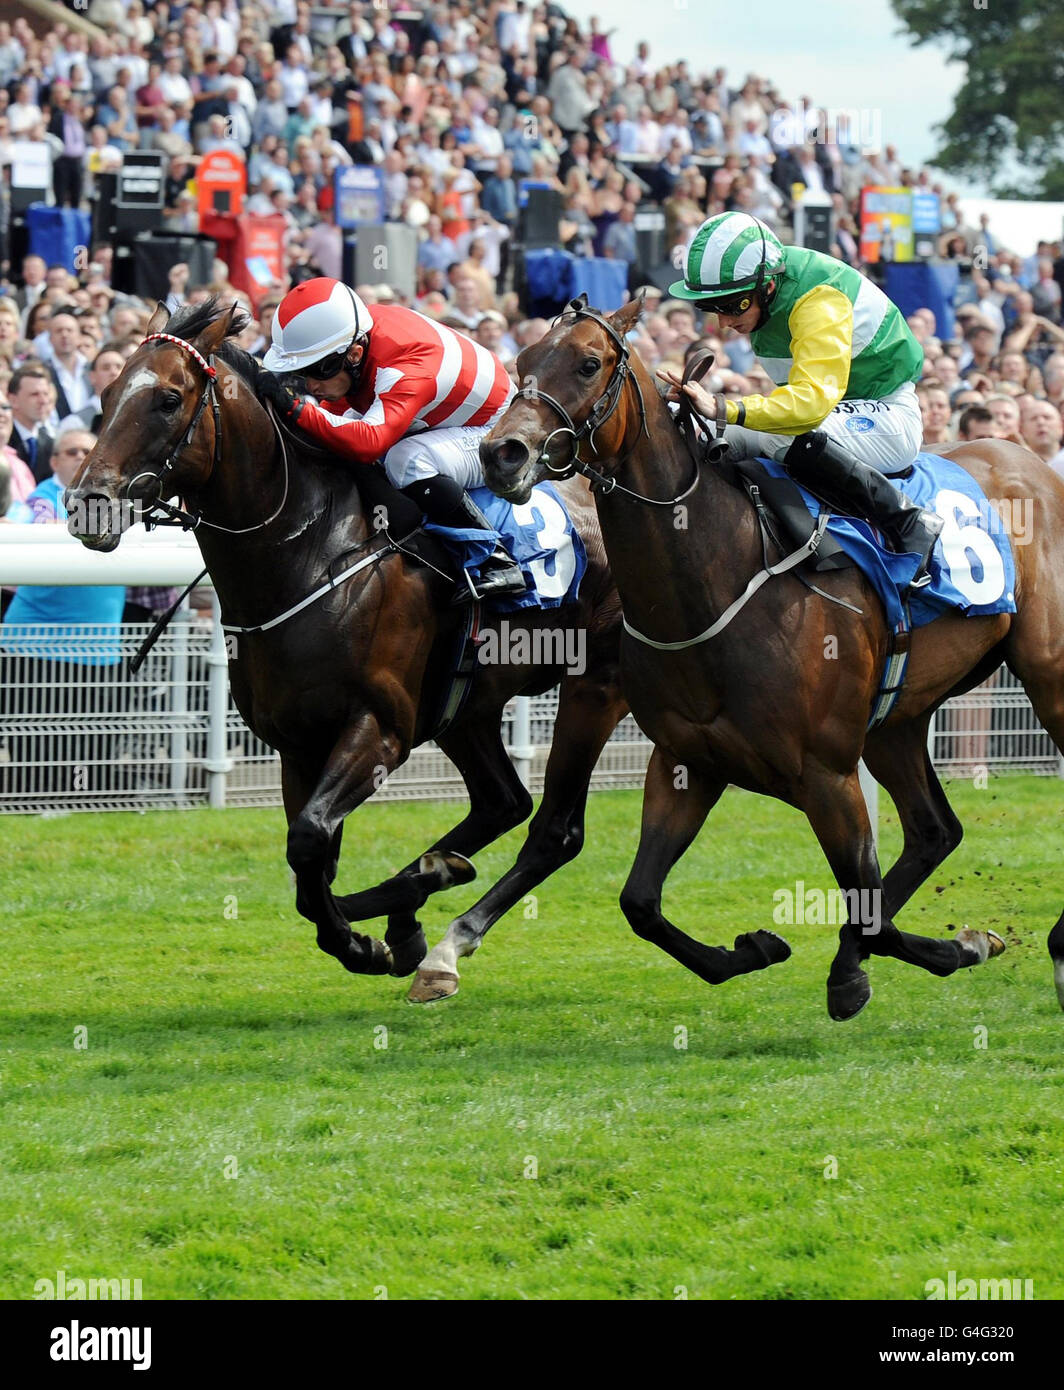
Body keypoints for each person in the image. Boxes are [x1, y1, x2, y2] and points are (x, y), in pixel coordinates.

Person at [661, 211, 943, 585]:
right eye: (712, 307)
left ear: (769, 286)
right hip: (835, 417)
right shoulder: (768, 290)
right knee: (710, 433)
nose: (723, 322)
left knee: (778, 432)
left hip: (888, 416)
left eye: (733, 305)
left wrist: (725, 406)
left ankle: (906, 518)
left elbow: (809, 406)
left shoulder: (818, 300)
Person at [257, 277, 525, 601]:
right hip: (440, 414)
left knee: (406, 460)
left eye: (319, 370)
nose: (310, 384)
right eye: (302, 373)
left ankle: (497, 560)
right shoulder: (356, 338)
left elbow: (370, 442)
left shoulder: (406, 362)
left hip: (495, 427)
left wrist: (296, 407)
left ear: (355, 354)